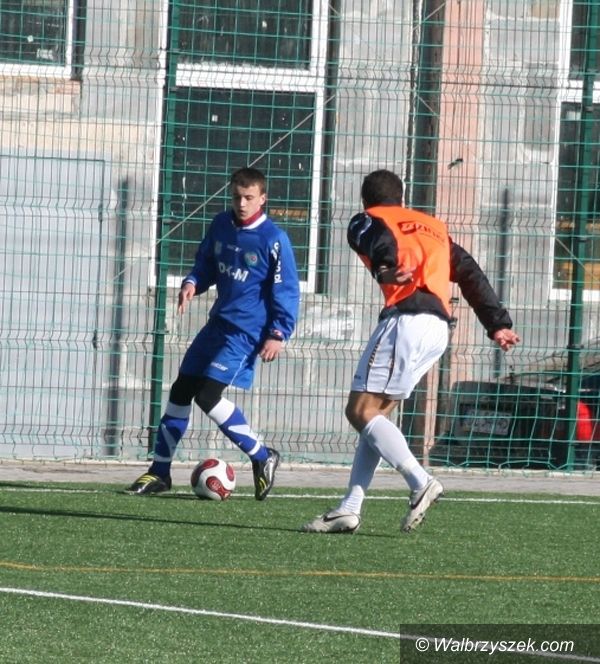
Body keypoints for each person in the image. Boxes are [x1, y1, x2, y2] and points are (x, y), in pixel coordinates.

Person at [301, 169, 520, 534]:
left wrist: (388, 270)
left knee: (358, 411)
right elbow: (469, 272)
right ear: (402, 199)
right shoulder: (434, 228)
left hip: (406, 321)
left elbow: (377, 244)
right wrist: (497, 323)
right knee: (375, 418)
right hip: (437, 329)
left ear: (365, 201)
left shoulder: (368, 219)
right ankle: (349, 507)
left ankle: (421, 481)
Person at [127, 167, 300, 500]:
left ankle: (262, 455)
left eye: (249, 197)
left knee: (207, 396)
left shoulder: (273, 239)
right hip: (217, 324)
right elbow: (206, 262)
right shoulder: (221, 224)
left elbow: (287, 291)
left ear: (262, 199)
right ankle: (160, 471)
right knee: (181, 390)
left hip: (245, 333)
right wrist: (193, 282)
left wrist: (278, 332)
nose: (242, 203)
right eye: (236, 197)